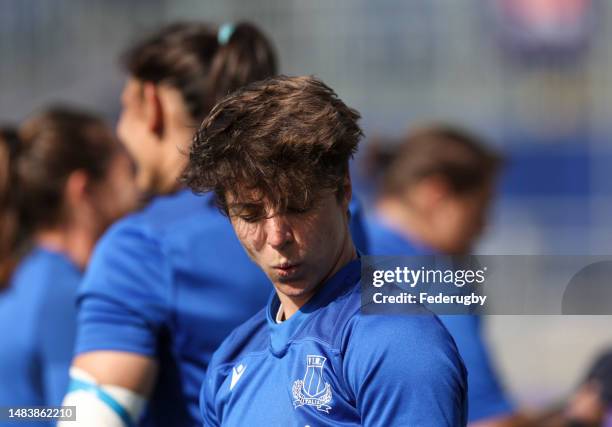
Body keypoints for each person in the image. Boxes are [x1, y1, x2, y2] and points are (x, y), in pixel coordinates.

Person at [62, 22, 361, 427]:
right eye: (249, 215)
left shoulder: (139, 247)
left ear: (151, 105)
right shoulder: (343, 214)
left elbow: (92, 416)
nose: (276, 237)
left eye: (122, 110)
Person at [185, 75, 467, 426]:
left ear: (343, 189)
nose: (277, 235)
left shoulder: (397, 341)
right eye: (250, 214)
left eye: (298, 205)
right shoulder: (230, 361)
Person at [364, 125, 603, 427]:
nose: (484, 227)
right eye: (480, 208)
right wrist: (580, 418)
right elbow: (488, 423)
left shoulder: (339, 252)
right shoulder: (431, 279)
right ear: (434, 194)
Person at [0, 108, 137, 426]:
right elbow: (71, 415)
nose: (137, 191)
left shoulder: (25, 275)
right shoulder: (64, 294)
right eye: (127, 172)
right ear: (83, 189)